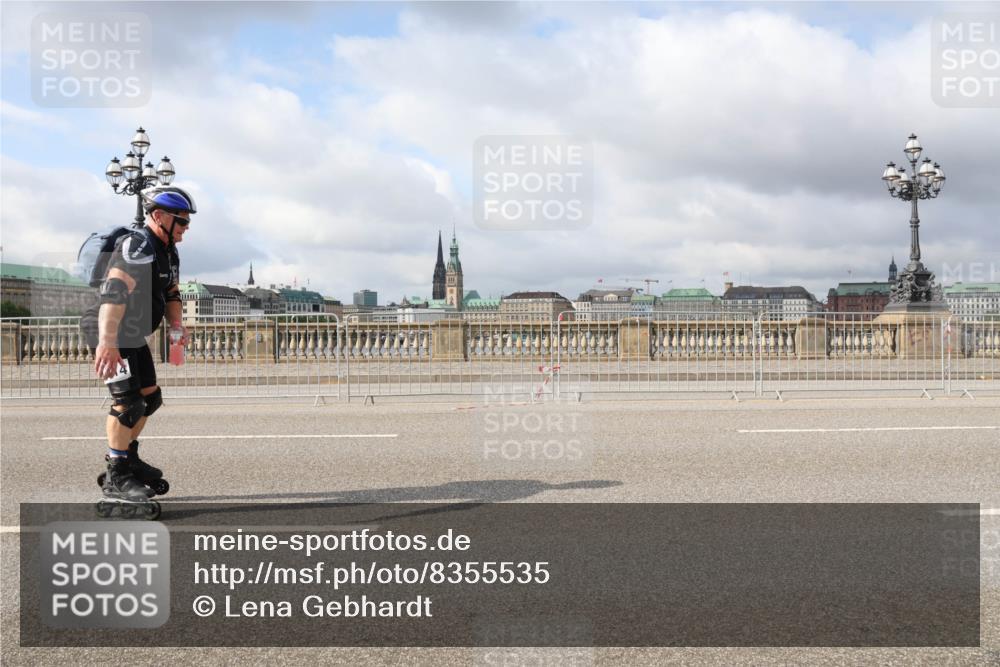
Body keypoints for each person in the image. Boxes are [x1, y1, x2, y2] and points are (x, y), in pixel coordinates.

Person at [81, 185, 195, 504]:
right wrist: (107, 342)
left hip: (131, 334)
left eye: (188, 221)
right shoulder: (138, 246)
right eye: (181, 220)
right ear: (158, 216)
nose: (186, 227)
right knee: (128, 403)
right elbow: (115, 291)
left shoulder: (168, 251)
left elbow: (171, 292)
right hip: (111, 331)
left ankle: (127, 457)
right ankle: (117, 475)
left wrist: (176, 328)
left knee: (150, 398)